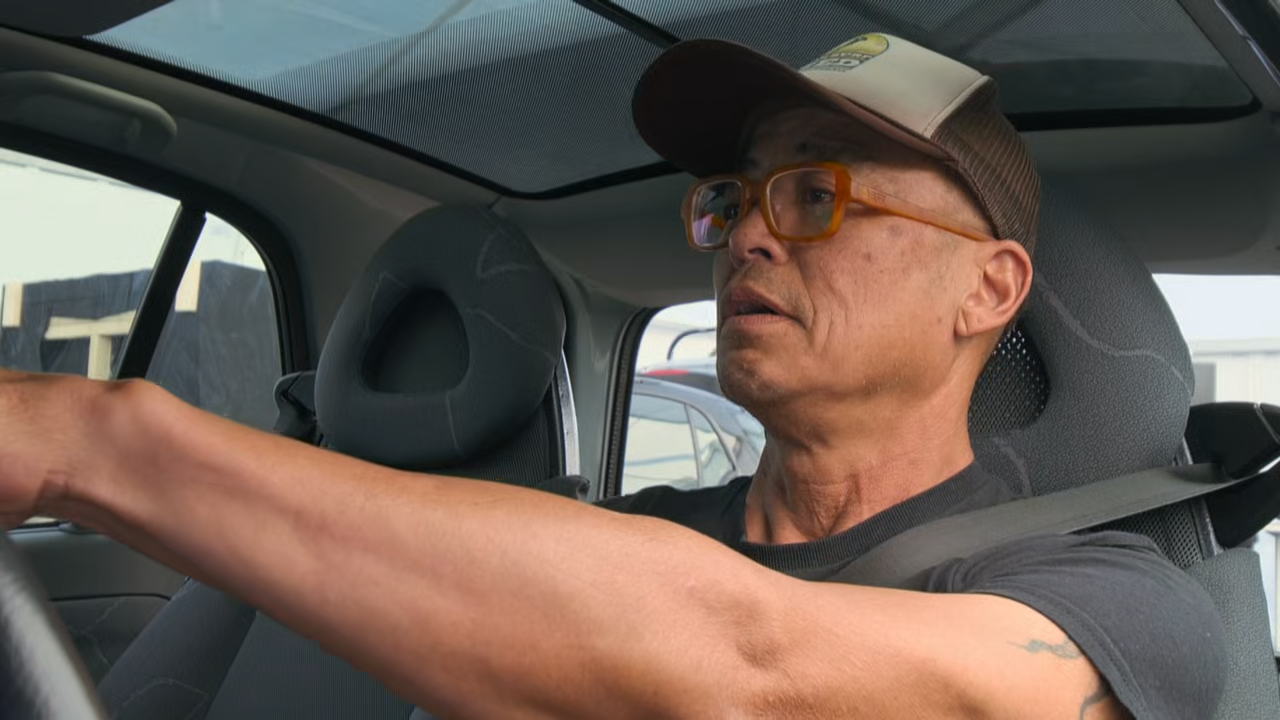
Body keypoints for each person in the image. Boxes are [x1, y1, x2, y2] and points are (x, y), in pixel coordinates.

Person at [0, 34, 1223, 719]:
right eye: (733, 199)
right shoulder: (626, 541)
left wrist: (95, 443)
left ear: (988, 291)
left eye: (815, 193)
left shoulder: (1114, 607)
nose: (746, 236)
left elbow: (754, 671)